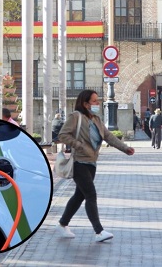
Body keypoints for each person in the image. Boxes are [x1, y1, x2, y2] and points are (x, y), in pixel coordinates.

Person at [57, 90, 135, 242]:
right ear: (85, 104)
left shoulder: (97, 119)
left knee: (79, 196)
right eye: (94, 101)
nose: (97, 104)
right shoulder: (75, 117)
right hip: (79, 162)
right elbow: (63, 135)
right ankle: (99, 231)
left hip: (91, 163)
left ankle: (62, 224)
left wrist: (125, 148)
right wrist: (78, 145)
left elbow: (108, 136)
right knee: (90, 195)